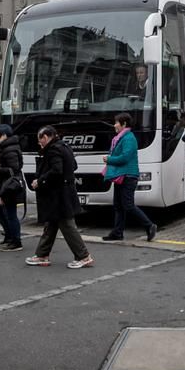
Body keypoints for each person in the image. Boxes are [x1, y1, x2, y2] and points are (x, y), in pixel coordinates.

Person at [26, 125, 94, 268]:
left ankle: (83, 256)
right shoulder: (65, 146)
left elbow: (56, 170)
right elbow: (73, 166)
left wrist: (40, 180)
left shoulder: (53, 149)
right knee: (51, 223)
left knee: (67, 225)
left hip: (59, 194)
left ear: (45, 137)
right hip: (65, 191)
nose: (40, 144)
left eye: (40, 141)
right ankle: (42, 255)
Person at [103, 112, 158, 242]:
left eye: (116, 122)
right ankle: (117, 233)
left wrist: (109, 159)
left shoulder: (128, 138)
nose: (114, 125)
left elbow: (125, 157)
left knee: (128, 205)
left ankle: (149, 225)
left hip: (128, 176)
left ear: (124, 124)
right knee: (118, 205)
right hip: (120, 175)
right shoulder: (121, 137)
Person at [0, 124, 25, 251]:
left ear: (4, 135)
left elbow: (13, 170)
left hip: (10, 186)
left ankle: (16, 241)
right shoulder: (5, 148)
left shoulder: (10, 149)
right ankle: (10, 236)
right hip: (4, 185)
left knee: (10, 214)